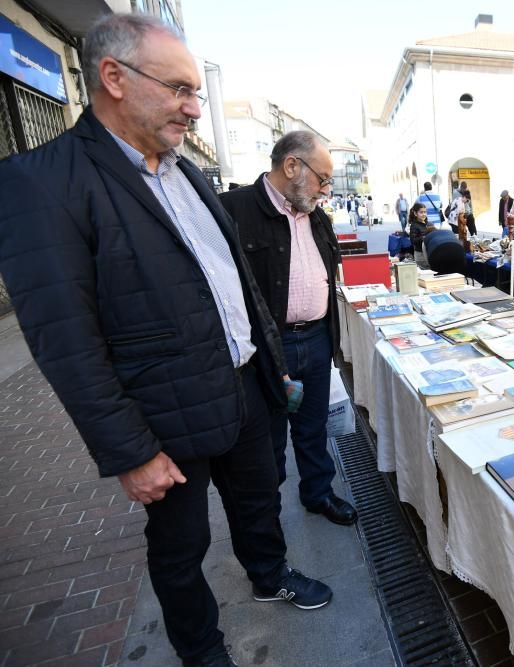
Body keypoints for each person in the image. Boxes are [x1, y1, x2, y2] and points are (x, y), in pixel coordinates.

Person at [0, 14, 330, 667]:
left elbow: (236, 284)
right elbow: (66, 338)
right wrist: (130, 450)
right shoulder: (43, 182)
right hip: (164, 414)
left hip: (244, 386)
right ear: (113, 78)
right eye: (179, 89)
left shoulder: (189, 174)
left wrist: (269, 368)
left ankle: (269, 574)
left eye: (196, 93)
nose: (193, 107)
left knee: (260, 496)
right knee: (180, 546)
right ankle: (201, 646)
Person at [219, 131, 357, 530]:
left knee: (312, 428)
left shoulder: (315, 214)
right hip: (265, 348)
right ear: (292, 166)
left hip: (315, 338)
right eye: (323, 179)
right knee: (267, 441)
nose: (327, 190)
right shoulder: (233, 209)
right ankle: (266, 520)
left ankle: (318, 493)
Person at [408, 202, 435, 269]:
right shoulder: (414, 225)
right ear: (415, 213)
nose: (424, 214)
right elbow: (413, 241)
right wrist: (425, 237)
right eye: (421, 212)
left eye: (425, 212)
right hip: (420, 255)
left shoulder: (429, 224)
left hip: (429, 252)